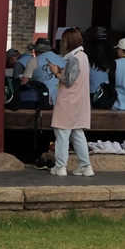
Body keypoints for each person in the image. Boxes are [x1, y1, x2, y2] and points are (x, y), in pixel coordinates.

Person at [47, 27, 93, 177]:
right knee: (77, 133)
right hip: (79, 101)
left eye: (65, 41)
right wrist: (62, 70)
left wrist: (56, 73)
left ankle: (60, 166)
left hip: (68, 101)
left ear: (70, 41)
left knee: (62, 133)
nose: (64, 43)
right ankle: (85, 166)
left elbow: (68, 81)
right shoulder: (83, 57)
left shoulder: (74, 59)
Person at [22, 37, 65, 104]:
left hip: (43, 101)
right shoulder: (63, 60)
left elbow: (23, 83)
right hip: (62, 100)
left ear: (36, 51)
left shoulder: (34, 61)